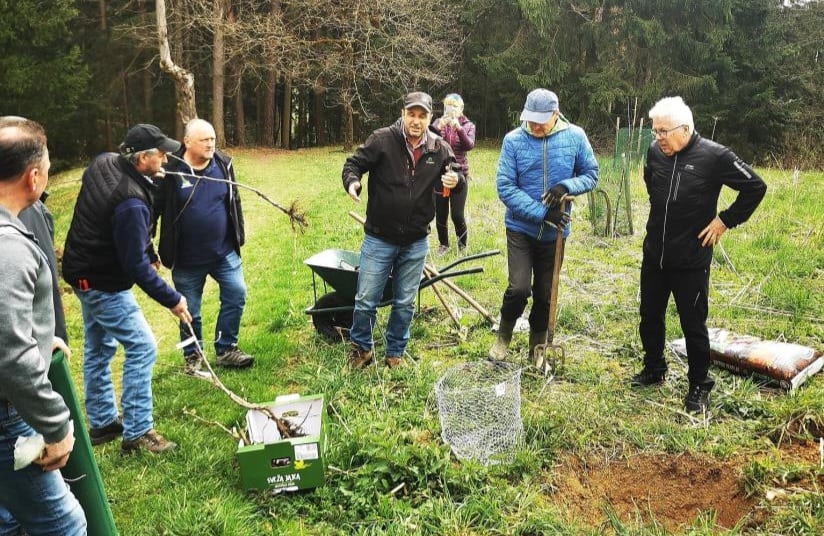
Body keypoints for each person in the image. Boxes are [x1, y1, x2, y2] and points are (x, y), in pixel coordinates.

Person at [631, 96, 767, 414]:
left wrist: (724, 220)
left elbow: (755, 187)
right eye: (655, 131)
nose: (658, 138)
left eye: (663, 131)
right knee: (649, 316)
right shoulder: (655, 152)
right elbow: (651, 181)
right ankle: (654, 369)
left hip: (691, 258)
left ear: (686, 128)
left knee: (693, 324)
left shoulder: (715, 156)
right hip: (655, 254)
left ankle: (699, 386)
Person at [62, 124, 192, 454]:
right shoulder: (131, 201)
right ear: (141, 158)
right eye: (160, 153)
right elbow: (135, 266)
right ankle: (138, 432)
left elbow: (119, 224)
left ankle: (103, 423)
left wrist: (147, 250)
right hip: (102, 282)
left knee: (97, 347)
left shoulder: (104, 162)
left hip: (81, 271)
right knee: (142, 346)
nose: (165, 157)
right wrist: (173, 299)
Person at [0, 117, 87, 534]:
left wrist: (37, 334)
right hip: (7, 415)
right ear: (33, 177)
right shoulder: (8, 247)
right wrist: (57, 426)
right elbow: (10, 355)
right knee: (64, 525)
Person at [342, 91, 462, 369]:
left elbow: (457, 176)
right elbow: (354, 163)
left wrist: (455, 180)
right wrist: (352, 182)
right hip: (379, 237)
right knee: (365, 299)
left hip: (415, 241)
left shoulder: (439, 148)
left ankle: (395, 352)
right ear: (403, 113)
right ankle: (361, 349)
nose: (416, 121)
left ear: (430, 118)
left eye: (422, 116)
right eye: (412, 114)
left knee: (405, 302)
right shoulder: (383, 140)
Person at [489, 89, 599, 362]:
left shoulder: (575, 137)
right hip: (521, 228)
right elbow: (505, 187)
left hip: (556, 234)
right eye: (530, 119)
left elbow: (591, 174)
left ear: (556, 114)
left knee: (545, 293)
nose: (535, 126)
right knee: (519, 288)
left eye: (541, 120)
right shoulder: (513, 141)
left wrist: (567, 186)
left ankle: (536, 347)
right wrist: (541, 213)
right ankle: (503, 337)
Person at [156, 118, 252, 375]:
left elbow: (234, 201)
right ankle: (193, 356)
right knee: (190, 311)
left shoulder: (223, 163)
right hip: (187, 259)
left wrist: (238, 234)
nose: (211, 144)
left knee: (236, 293)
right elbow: (153, 209)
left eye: (212, 139)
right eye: (204, 140)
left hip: (223, 252)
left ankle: (226, 348)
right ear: (187, 142)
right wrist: (147, 248)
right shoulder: (171, 170)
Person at [432, 93, 476, 254]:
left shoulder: (468, 125)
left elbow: (469, 145)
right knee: (441, 214)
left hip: (459, 175)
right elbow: (429, 142)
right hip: (439, 174)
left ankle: (462, 245)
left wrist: (458, 128)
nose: (451, 110)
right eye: (447, 107)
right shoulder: (438, 122)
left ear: (461, 109)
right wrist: (438, 127)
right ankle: (443, 245)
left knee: (457, 215)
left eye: (454, 107)